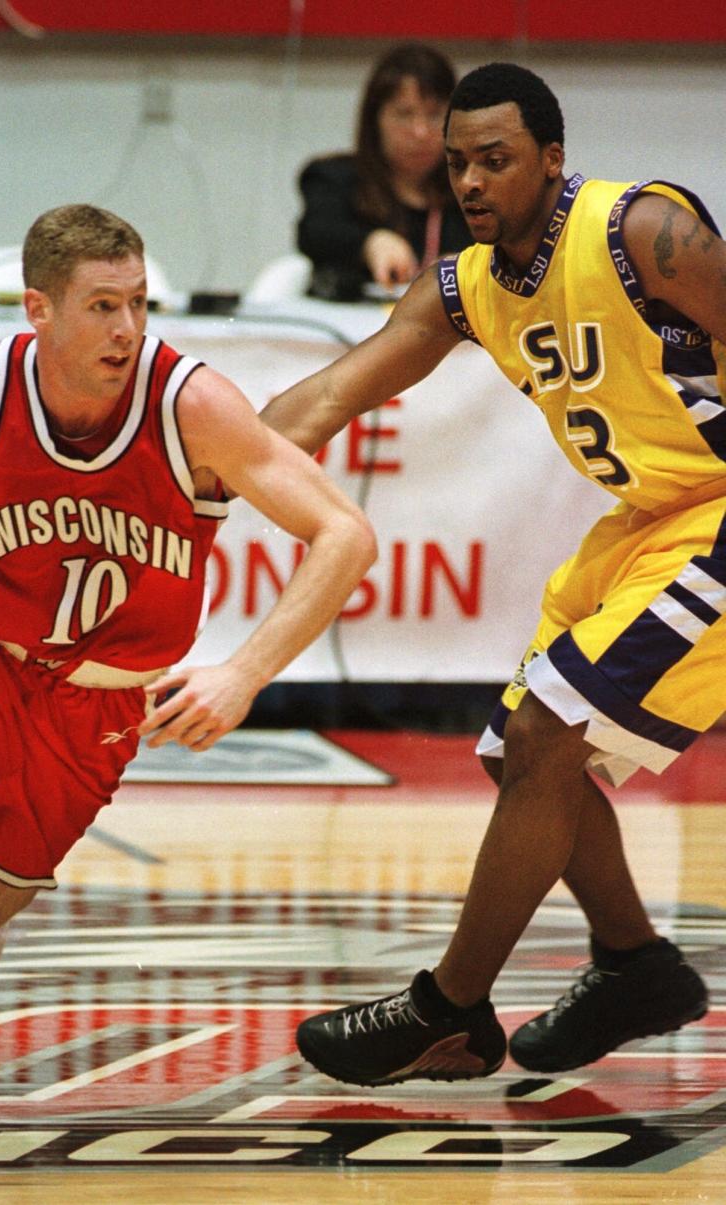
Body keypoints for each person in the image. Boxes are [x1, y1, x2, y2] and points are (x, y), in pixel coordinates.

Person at [0, 203, 376, 1007]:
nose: (127, 327)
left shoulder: (190, 406)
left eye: (138, 302)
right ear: (38, 307)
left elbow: (346, 534)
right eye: (102, 306)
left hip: (97, 704)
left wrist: (244, 673)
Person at [264, 62, 725, 1085]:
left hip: (722, 512)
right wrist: (189, 472)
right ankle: (633, 961)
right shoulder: (465, 285)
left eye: (496, 160)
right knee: (514, 753)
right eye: (460, 162)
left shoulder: (641, 230)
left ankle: (449, 1007)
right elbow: (334, 390)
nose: (469, 181)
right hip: (652, 519)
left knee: (545, 729)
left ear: (552, 161)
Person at [297, 42, 473, 301]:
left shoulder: (470, 190)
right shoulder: (334, 178)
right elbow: (315, 232)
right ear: (375, 120)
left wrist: (471, 265)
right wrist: (369, 243)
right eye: (404, 115)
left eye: (435, 115)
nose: (420, 132)